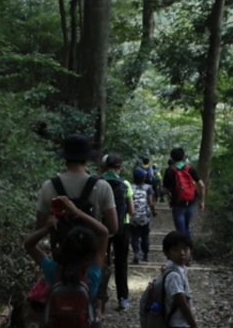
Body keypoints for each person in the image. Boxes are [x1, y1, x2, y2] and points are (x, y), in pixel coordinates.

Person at [24, 196, 108, 328]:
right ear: (90, 252)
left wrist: (47, 228)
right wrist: (77, 212)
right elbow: (104, 233)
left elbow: (28, 245)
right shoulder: (92, 273)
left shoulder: (54, 272)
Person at [36, 133, 118, 235]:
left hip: (60, 249)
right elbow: (113, 228)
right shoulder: (103, 186)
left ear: (65, 158)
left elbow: (39, 228)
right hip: (93, 249)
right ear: (87, 159)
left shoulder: (49, 186)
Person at [99, 153, 134, 310]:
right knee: (121, 262)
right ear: (119, 167)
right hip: (122, 226)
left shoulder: (97, 182)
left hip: (100, 227)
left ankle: (100, 293)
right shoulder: (125, 183)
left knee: (100, 261)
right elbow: (131, 210)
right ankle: (122, 298)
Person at [162, 148, 205, 237]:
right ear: (183, 157)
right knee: (187, 227)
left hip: (177, 203)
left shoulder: (170, 171)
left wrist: (169, 196)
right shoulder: (190, 169)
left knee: (180, 230)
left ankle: (183, 247)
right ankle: (189, 248)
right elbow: (202, 185)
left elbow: (165, 189)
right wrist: (202, 201)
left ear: (172, 158)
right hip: (190, 201)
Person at [130, 167, 157, 263]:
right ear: (143, 177)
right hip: (144, 217)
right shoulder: (148, 188)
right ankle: (145, 255)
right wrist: (153, 211)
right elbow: (150, 202)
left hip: (133, 217)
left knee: (134, 236)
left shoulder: (130, 187)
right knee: (145, 236)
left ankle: (136, 253)